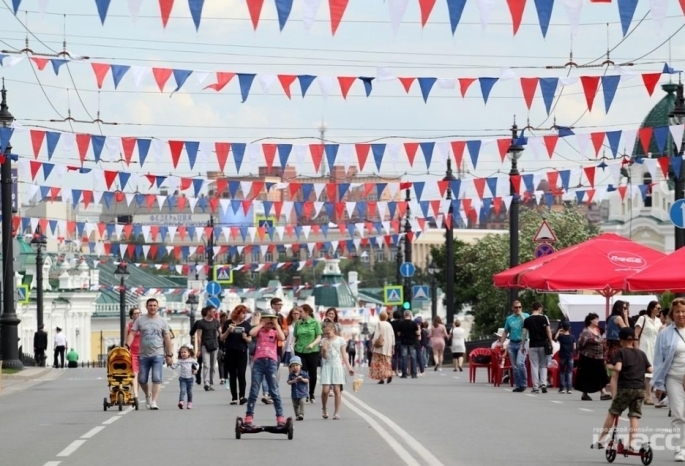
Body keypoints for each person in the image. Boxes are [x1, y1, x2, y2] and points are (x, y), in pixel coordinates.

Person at [592, 327, 652, 453]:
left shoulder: (621, 352)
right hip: (640, 389)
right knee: (634, 416)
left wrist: (609, 366)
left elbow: (618, 368)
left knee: (613, 412)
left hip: (626, 388)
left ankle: (601, 439)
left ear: (621, 340)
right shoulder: (641, 353)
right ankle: (631, 444)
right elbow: (650, 369)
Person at [125, 298, 173, 410]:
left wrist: (169, 355)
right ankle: (148, 395)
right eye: (150, 305)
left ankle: (154, 401)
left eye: (154, 305)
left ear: (157, 307)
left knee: (157, 378)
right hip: (143, 354)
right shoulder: (140, 320)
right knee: (142, 379)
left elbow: (167, 338)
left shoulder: (162, 321)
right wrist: (127, 346)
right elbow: (132, 334)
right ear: (146, 307)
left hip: (158, 353)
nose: (152, 307)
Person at [653, 298, 685, 461]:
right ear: (672, 314)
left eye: (683, 311)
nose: (681, 314)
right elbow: (659, 360)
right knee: (679, 414)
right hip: (674, 378)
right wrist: (658, 384)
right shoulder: (665, 333)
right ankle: (680, 450)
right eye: (677, 311)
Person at [244, 307, 286, 426]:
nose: (269, 323)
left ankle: (280, 416)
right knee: (254, 390)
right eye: (267, 320)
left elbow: (282, 338)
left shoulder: (275, 332)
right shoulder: (260, 331)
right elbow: (251, 333)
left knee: (274, 390)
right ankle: (249, 415)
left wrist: (276, 324)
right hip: (259, 362)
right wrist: (261, 323)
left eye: (271, 321)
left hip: (271, 362)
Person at [320, 322, 355, 420]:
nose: (327, 335)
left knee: (336, 390)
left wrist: (349, 367)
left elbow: (344, 355)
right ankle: (324, 408)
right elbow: (324, 357)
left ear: (333, 329)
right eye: (325, 333)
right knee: (325, 390)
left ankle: (336, 412)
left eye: (328, 333)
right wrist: (324, 350)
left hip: (337, 366)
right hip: (327, 367)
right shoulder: (323, 340)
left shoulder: (340, 340)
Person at [220, 304, 252, 405]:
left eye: (245, 313)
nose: (245, 315)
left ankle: (242, 396)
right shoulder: (228, 323)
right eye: (243, 313)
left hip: (242, 351)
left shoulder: (247, 324)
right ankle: (234, 397)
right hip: (230, 351)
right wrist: (228, 331)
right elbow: (222, 338)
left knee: (241, 374)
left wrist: (245, 337)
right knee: (232, 374)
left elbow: (250, 340)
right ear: (237, 313)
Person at [497, 300, 529, 392]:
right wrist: (502, 342)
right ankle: (518, 385)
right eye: (516, 307)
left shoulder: (526, 316)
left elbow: (527, 324)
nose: (518, 309)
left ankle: (524, 383)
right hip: (512, 343)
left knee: (520, 363)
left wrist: (521, 315)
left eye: (520, 307)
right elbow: (506, 331)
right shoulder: (509, 319)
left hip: (522, 343)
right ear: (512, 308)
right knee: (514, 366)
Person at [521, 302, 553, 394]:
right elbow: (548, 331)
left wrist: (522, 345)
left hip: (533, 345)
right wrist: (551, 342)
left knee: (534, 366)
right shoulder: (544, 318)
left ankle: (535, 387)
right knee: (543, 365)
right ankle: (543, 383)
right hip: (543, 344)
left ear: (532, 308)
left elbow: (524, 333)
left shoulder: (527, 320)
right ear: (539, 308)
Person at [293, 304, 322, 403]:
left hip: (312, 351)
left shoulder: (315, 323)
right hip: (300, 350)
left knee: (312, 373)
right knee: (302, 373)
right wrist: (292, 344)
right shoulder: (298, 323)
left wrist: (312, 344)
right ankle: (304, 394)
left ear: (307, 312)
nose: (299, 314)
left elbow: (319, 337)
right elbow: (295, 336)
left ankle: (312, 393)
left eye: (301, 312)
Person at [195, 305, 220, 391]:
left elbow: (220, 334)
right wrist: (198, 349)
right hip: (205, 346)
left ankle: (211, 383)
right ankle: (206, 382)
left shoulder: (216, 322)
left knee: (212, 366)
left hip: (214, 346)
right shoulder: (201, 323)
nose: (214, 313)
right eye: (213, 311)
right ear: (208, 312)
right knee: (206, 365)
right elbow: (199, 336)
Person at [169, 345, 199, 410]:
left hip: (190, 379)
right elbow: (174, 367)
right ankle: (181, 402)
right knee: (182, 391)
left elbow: (197, 365)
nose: (183, 354)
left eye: (184, 352)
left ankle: (189, 403)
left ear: (189, 353)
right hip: (182, 379)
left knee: (189, 392)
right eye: (181, 352)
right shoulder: (180, 361)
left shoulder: (192, 360)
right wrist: (170, 364)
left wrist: (195, 370)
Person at [370, 311, 395, 384]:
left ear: (380, 317)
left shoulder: (379, 324)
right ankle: (389, 373)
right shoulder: (389, 325)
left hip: (380, 346)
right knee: (387, 362)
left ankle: (381, 378)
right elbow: (392, 336)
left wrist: (373, 344)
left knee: (379, 362)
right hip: (388, 346)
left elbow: (376, 335)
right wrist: (393, 346)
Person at [554, 321, 576, 394]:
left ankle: (562, 388)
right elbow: (574, 347)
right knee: (569, 372)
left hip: (562, 356)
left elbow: (555, 339)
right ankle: (569, 388)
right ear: (569, 328)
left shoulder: (561, 337)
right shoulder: (573, 337)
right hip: (570, 356)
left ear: (562, 328)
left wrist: (558, 331)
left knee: (562, 372)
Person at [126, 307, 142, 399]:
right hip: (133, 352)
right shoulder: (128, 326)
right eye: (135, 313)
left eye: (139, 313)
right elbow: (126, 339)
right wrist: (126, 350)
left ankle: (138, 391)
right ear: (132, 316)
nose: (138, 315)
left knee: (141, 375)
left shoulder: (144, 325)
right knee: (134, 373)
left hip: (143, 352)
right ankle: (135, 394)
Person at [287, 356, 309, 421]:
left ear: (300, 366)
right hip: (294, 393)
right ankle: (297, 415)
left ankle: (301, 414)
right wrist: (292, 381)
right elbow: (288, 382)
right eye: (293, 366)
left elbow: (307, 380)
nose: (295, 367)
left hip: (303, 393)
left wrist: (302, 379)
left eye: (297, 365)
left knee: (302, 402)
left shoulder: (304, 373)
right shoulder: (291, 375)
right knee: (295, 405)